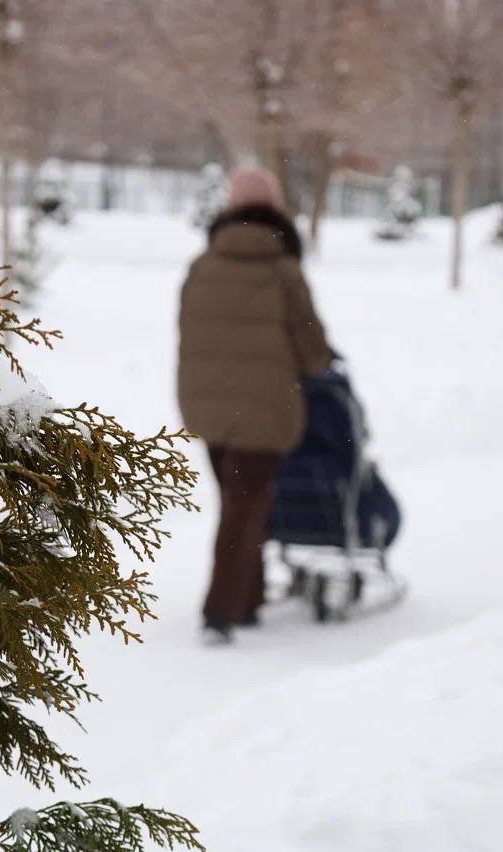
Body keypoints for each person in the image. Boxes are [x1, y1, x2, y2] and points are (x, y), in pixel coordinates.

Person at [176, 165, 333, 644]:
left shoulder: (202, 266)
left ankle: (249, 598)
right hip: (264, 412)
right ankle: (220, 612)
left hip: (207, 409)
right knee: (244, 508)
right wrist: (319, 365)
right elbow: (311, 349)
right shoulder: (283, 270)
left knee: (239, 503)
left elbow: (192, 335)